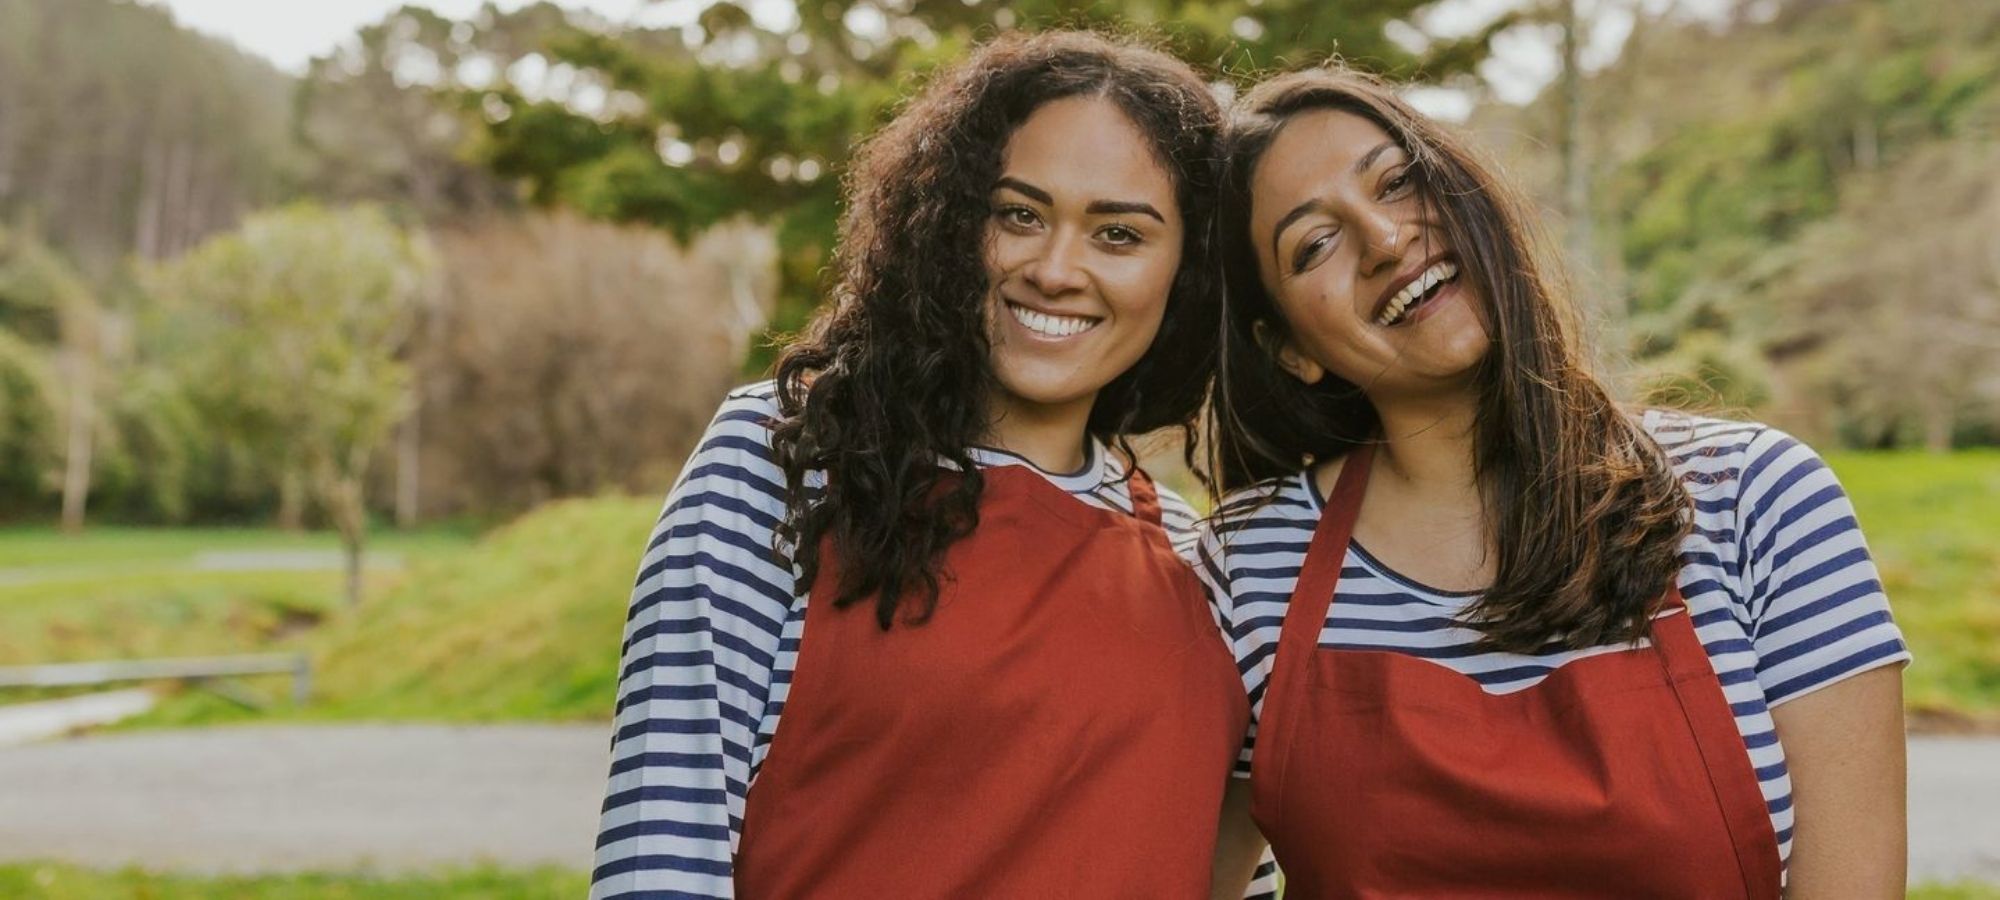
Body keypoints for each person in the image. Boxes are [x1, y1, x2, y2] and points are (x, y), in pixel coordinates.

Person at [591, 30, 1273, 900]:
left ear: (1187, 272)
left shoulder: (1196, 561)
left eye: (1118, 235)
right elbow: (661, 860)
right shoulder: (788, 461)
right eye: (1018, 215)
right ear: (952, 223)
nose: (1055, 269)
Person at [1200, 64, 1909, 899]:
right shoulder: (1249, 565)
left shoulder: (1758, 500)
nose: (1386, 240)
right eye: (1314, 244)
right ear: (1289, 347)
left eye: (1398, 182)